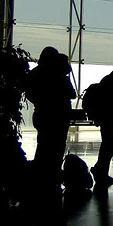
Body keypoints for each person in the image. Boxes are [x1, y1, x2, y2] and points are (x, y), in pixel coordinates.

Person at [26, 47, 76, 189]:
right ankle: (52, 176)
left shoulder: (35, 74)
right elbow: (71, 94)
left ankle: (41, 177)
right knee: (57, 146)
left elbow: (30, 93)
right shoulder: (58, 76)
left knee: (43, 146)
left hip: (42, 115)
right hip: (59, 116)